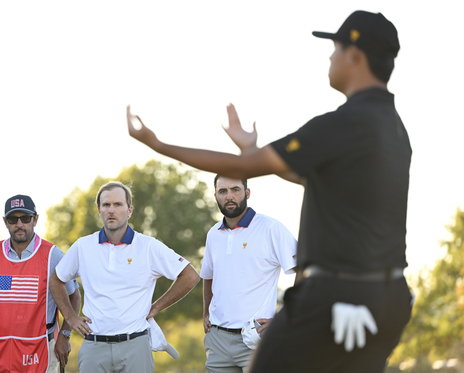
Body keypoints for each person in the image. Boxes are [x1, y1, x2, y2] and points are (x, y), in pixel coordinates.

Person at [126, 10, 413, 373]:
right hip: (387, 297)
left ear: (354, 55)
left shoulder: (345, 123)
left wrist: (158, 144)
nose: (329, 57)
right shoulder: (391, 126)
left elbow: (245, 170)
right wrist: (251, 148)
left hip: (341, 298)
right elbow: (313, 178)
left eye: (335, 48)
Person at [49, 181, 200, 373]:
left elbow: (190, 276)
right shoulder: (83, 246)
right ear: (99, 210)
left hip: (135, 345)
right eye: (106, 205)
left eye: (118, 205)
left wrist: (156, 307)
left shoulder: (148, 246)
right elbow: (56, 279)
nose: (111, 210)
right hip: (94, 347)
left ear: (129, 210)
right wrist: (70, 317)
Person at [0, 194, 81, 373]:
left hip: (41, 348)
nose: (19, 224)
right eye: (13, 219)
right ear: (5, 221)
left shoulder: (52, 255)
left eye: (25, 218)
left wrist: (65, 334)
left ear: (35, 219)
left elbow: (74, 295)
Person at [202, 175, 298, 373]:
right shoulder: (213, 234)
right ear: (215, 196)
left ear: (247, 193)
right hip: (217, 341)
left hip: (256, 339)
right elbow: (209, 276)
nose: (229, 196)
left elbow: (304, 270)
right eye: (223, 191)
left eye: (235, 190)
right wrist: (205, 313)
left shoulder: (271, 228)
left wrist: (285, 317)